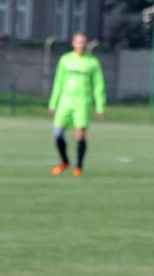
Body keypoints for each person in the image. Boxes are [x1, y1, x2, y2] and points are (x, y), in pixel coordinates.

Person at [48, 31, 105, 177]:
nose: (81, 45)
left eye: (83, 42)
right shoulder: (65, 60)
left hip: (82, 102)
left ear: (86, 44)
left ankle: (79, 167)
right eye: (78, 42)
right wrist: (53, 102)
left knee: (79, 135)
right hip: (65, 102)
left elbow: (99, 85)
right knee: (57, 134)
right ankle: (65, 161)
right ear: (73, 43)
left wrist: (100, 106)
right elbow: (58, 83)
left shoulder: (93, 62)